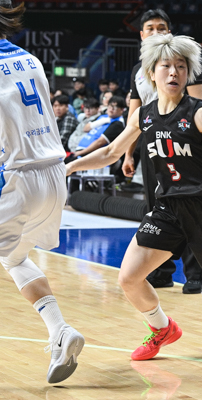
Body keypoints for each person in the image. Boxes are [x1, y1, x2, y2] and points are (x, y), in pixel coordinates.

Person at [66, 33, 202, 360]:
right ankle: (161, 327)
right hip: (167, 206)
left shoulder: (199, 114)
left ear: (188, 73)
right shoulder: (144, 115)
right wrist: (70, 166)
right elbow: (111, 152)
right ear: (151, 73)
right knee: (129, 278)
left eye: (181, 67)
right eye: (166, 66)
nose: (174, 73)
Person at [0, 1, 84, 383]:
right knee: (14, 258)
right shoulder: (30, 59)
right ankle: (60, 331)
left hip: (16, 178)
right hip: (52, 175)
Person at [122, 8, 202, 294]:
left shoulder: (182, 63)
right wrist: (128, 153)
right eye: (151, 28)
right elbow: (133, 113)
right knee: (155, 207)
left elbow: (198, 104)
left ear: (169, 32)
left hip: (183, 143)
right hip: (151, 145)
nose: (156, 32)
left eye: (162, 27)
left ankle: (195, 274)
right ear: (142, 35)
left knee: (190, 207)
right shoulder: (139, 70)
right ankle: (162, 271)